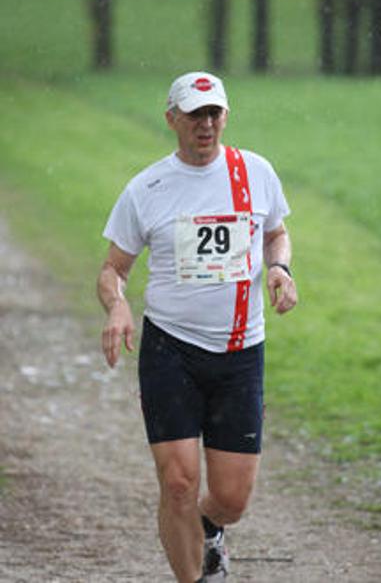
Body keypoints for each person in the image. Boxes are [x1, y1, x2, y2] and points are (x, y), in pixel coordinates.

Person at [97, 71, 298, 583]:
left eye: (214, 113)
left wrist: (280, 267)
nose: (205, 124)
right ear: (172, 119)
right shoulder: (146, 189)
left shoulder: (255, 172)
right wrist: (117, 306)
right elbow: (112, 269)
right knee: (179, 484)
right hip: (171, 349)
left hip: (240, 352)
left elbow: (276, 234)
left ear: (226, 116)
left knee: (231, 499)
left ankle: (209, 530)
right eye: (194, 114)